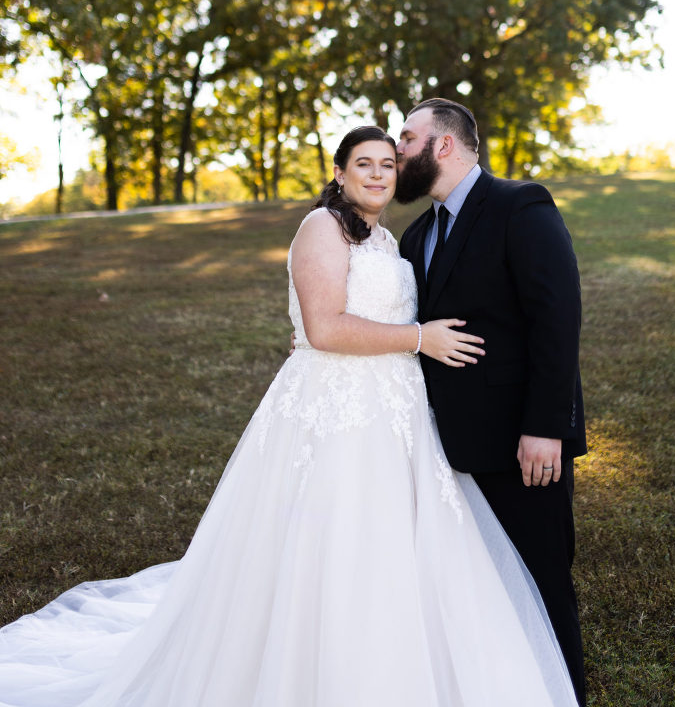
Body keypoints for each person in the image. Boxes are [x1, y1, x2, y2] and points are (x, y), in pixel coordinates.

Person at [0, 126, 578, 707]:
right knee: (331, 540)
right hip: (335, 411)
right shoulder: (320, 228)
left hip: (396, 413)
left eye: (388, 162)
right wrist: (418, 337)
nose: (380, 172)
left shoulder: (386, 240)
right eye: (365, 163)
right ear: (339, 173)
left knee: (399, 546)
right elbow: (324, 328)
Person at [397, 99, 587, 707]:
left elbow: (556, 319)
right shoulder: (416, 234)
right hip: (447, 449)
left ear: (444, 145)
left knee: (540, 581)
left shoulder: (519, 204)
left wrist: (544, 428)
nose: (398, 152)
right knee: (478, 589)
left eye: (407, 139)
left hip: (519, 444)